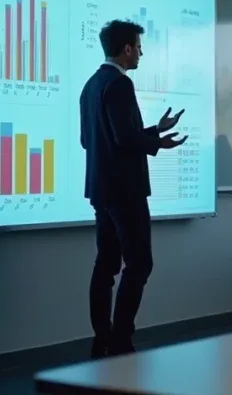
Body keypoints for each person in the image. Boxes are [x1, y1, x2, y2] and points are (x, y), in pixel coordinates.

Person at [81, 20, 186, 358]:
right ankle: (121, 340)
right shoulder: (121, 84)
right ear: (127, 49)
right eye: (139, 46)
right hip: (125, 191)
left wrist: (156, 129)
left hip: (101, 189)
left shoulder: (91, 85)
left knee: (107, 264)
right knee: (139, 264)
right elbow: (125, 138)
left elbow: (91, 139)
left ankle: (103, 338)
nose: (141, 52)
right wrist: (159, 142)